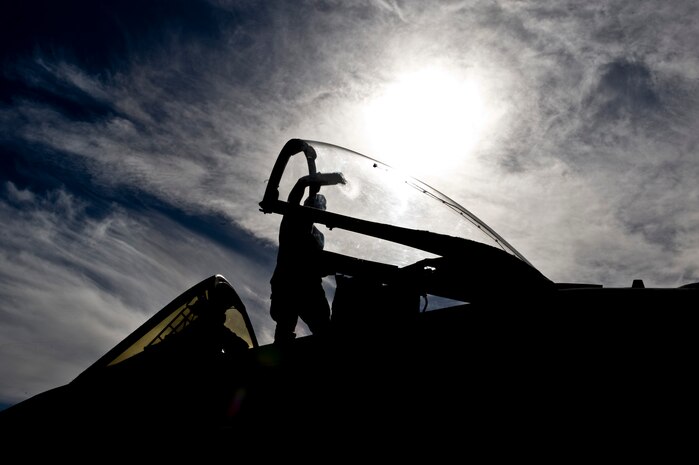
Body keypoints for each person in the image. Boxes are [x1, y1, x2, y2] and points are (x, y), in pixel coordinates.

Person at [270, 193, 332, 343]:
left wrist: (328, 268)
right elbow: (292, 200)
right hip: (286, 282)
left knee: (323, 327)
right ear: (305, 205)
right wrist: (303, 183)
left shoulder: (319, 236)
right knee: (285, 325)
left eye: (320, 208)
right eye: (314, 205)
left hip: (310, 285)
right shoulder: (291, 219)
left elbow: (317, 262)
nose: (318, 210)